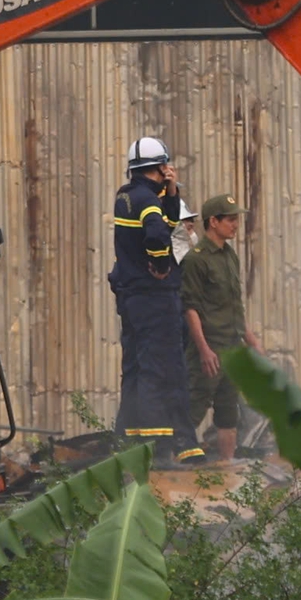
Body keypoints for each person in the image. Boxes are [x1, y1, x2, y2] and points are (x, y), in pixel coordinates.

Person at [109, 137, 205, 465]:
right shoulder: (148, 202)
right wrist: (161, 265)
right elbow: (158, 232)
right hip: (154, 297)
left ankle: (131, 437)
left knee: (136, 368)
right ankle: (166, 444)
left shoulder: (127, 195)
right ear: (160, 167)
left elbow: (169, 218)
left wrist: (173, 191)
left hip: (132, 297)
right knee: (165, 368)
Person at [181, 194, 262, 464]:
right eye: (230, 219)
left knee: (229, 411)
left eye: (236, 219)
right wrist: (204, 349)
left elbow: (233, 304)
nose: (236, 225)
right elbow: (190, 307)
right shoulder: (196, 259)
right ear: (213, 222)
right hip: (210, 347)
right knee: (194, 406)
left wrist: (251, 340)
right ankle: (166, 463)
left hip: (232, 346)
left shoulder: (229, 256)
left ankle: (228, 466)